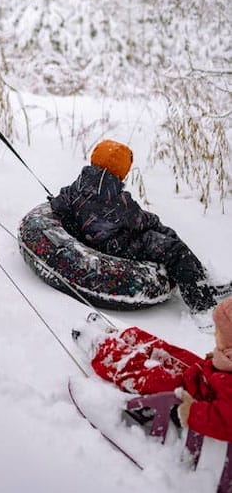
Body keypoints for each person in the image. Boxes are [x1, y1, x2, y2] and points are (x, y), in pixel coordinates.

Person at [50, 139, 230, 329]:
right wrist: (153, 221)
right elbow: (137, 220)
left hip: (93, 236)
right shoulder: (115, 196)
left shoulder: (79, 184)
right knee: (175, 249)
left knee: (164, 236)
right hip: (115, 243)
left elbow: (60, 203)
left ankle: (202, 280)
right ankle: (202, 304)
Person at [72, 298, 232, 442]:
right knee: (168, 351)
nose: (215, 336)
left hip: (191, 397)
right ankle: (123, 336)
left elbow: (225, 421)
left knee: (148, 375)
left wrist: (191, 410)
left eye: (219, 335)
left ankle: (102, 350)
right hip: (204, 377)